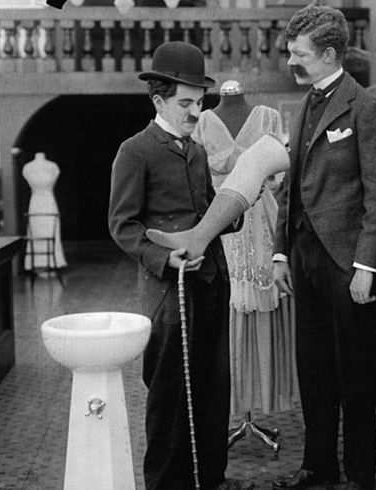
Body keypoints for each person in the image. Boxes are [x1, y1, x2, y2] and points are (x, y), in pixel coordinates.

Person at [271, 4, 376, 490]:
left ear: (329, 54)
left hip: (348, 265)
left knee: (355, 377)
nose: (291, 61)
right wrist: (281, 252)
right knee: (313, 370)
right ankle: (317, 466)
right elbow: (291, 187)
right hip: (304, 259)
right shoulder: (305, 105)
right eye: (290, 52)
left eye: (300, 54)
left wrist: (368, 266)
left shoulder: (365, 109)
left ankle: (361, 475)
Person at [107, 41, 247, 490]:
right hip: (169, 293)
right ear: (159, 101)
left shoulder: (198, 151)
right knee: (170, 395)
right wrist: (163, 258)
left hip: (211, 283)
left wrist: (237, 209)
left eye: (199, 102)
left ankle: (211, 480)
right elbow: (123, 225)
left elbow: (207, 210)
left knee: (213, 388)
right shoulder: (136, 151)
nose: (195, 112)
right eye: (185, 103)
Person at [192, 80, 298, 444]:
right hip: (223, 219)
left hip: (263, 218)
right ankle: (233, 399)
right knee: (228, 307)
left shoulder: (267, 117)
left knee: (263, 306)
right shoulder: (203, 122)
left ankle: (261, 397)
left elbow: (281, 175)